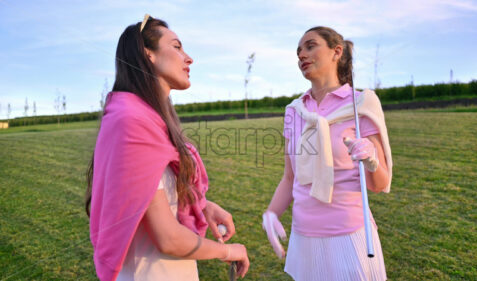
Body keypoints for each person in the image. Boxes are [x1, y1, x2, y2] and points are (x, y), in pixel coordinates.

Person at [85, 15, 249, 281]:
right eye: (176, 46)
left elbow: (151, 192)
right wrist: (229, 251)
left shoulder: (147, 117)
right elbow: (168, 238)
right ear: (147, 53)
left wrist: (203, 204)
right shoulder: (132, 121)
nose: (188, 58)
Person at [262, 26, 393, 281]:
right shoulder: (293, 111)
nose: (301, 54)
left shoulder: (360, 104)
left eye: (310, 46)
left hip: (349, 235)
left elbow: (380, 184)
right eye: (298, 51)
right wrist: (271, 213)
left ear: (336, 52)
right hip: (305, 237)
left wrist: (371, 161)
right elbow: (290, 178)